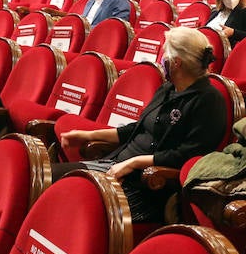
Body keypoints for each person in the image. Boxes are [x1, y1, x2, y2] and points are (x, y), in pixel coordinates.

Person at [57, 28, 226, 223]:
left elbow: (187, 156)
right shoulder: (167, 89)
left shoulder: (210, 101)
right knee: (50, 180)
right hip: (114, 166)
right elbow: (138, 128)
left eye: (165, 54)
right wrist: (88, 136)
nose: (162, 59)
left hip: (146, 185)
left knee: (71, 206)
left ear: (176, 62)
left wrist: (134, 162)